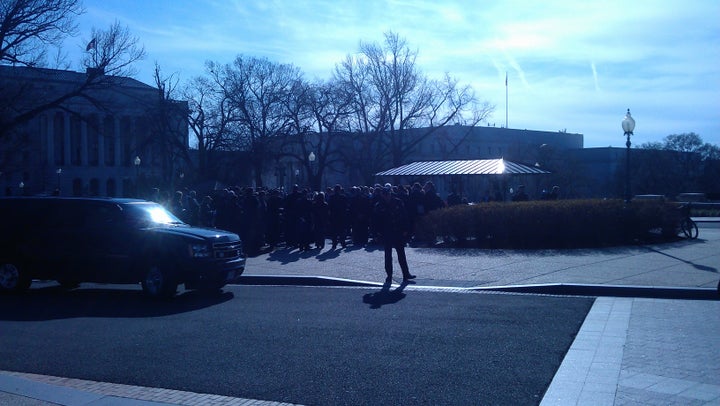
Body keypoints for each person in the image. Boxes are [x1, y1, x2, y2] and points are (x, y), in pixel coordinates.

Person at [373, 184, 416, 283]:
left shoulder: (398, 202)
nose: (386, 196)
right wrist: (376, 234)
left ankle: (406, 274)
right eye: (384, 194)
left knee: (401, 254)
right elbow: (375, 221)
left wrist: (406, 229)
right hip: (386, 232)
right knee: (388, 255)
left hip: (398, 231)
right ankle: (389, 274)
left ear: (390, 194)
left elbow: (405, 216)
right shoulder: (379, 205)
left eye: (387, 194)